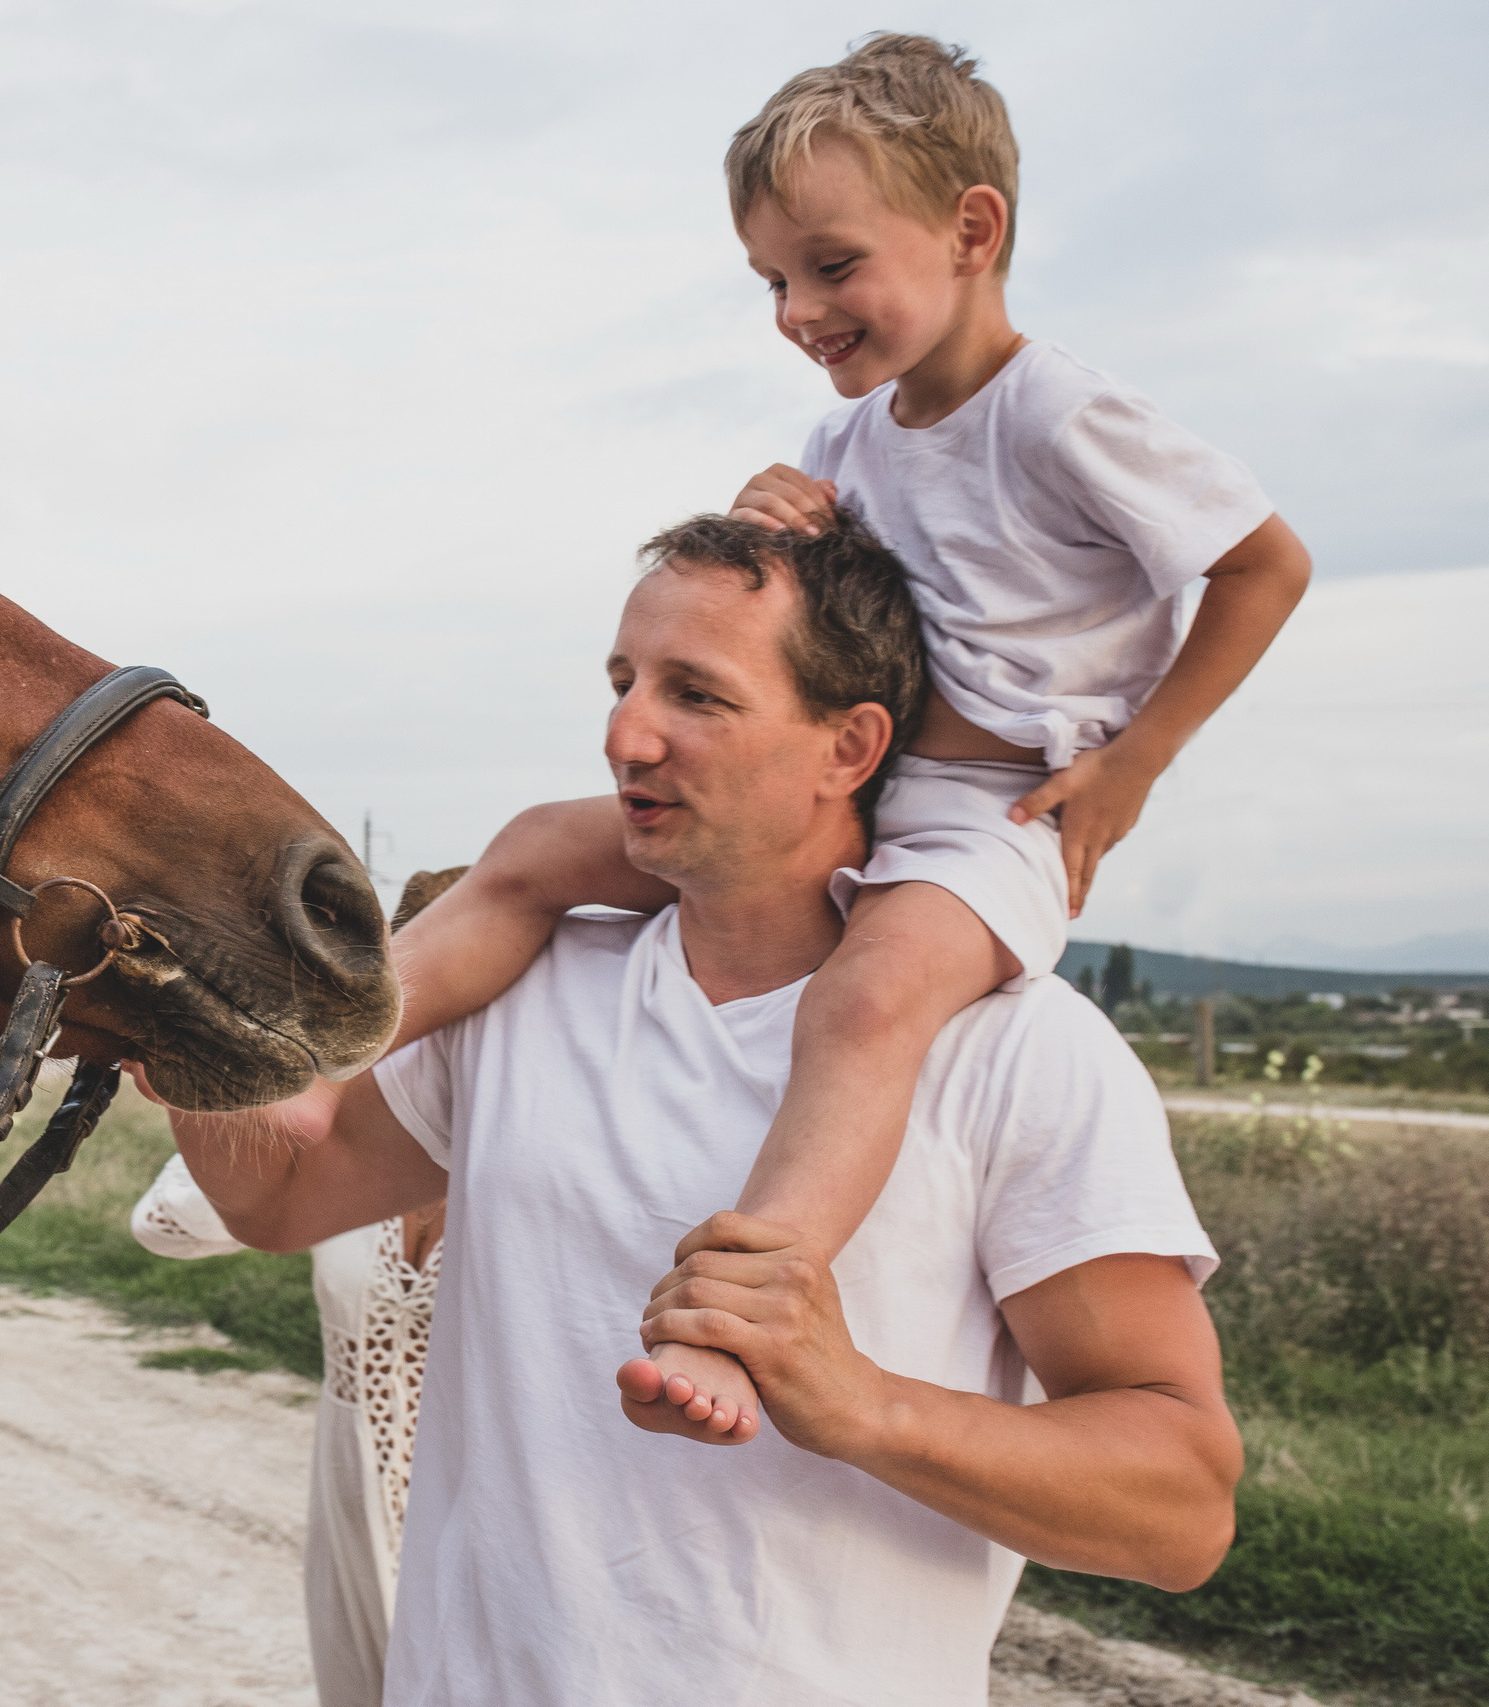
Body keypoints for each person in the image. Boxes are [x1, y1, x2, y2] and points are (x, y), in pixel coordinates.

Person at [152, 512, 1243, 1703]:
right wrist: (170, 1022)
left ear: (850, 746)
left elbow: (1180, 1508)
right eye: (622, 682)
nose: (626, 734)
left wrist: (861, 1404)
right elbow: (283, 1194)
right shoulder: (529, 983)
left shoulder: (1014, 1049)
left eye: (698, 697)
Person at [387, 33, 1311, 1438]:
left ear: (973, 229)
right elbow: (799, 627)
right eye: (770, 279)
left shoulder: (1058, 415)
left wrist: (1135, 759)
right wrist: (777, 517)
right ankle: (313, 1030)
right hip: (846, 791)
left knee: (869, 1002)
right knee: (531, 851)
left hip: (981, 820)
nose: (796, 310)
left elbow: (1265, 566)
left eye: (830, 265)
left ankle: (745, 1309)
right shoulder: (850, 443)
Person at [130, 870, 460, 1707]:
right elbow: (163, 1224)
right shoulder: (344, 1160)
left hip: (476, 1501)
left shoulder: (529, 1156)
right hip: (348, 1494)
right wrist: (242, 1076)